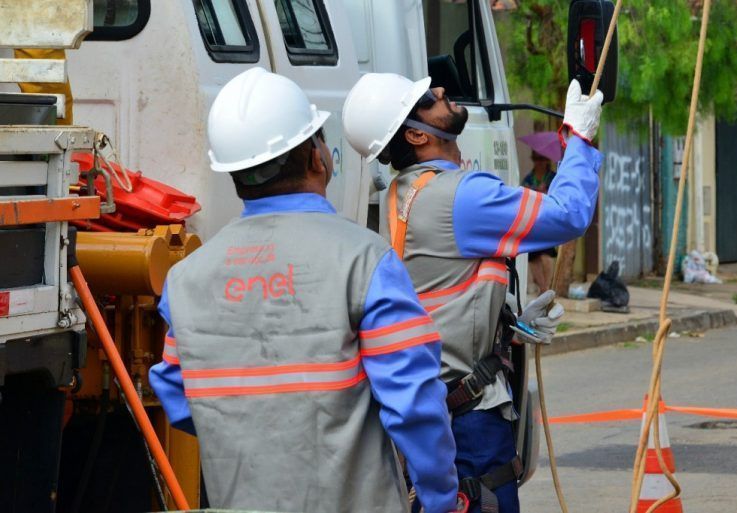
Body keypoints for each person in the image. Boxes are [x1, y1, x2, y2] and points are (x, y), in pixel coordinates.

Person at [149, 68, 467, 513]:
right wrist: (440, 499)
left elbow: (177, 394)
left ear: (235, 174)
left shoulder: (186, 279)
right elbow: (414, 404)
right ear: (317, 157)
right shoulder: (363, 259)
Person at [342, 74, 603, 513]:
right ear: (416, 134)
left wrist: (505, 324)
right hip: (470, 423)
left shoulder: (398, 195)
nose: (442, 90)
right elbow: (569, 214)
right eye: (428, 98)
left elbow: (435, 291)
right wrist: (578, 138)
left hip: (434, 413)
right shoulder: (462, 196)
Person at [521, 150, 558, 294]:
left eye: (542, 159)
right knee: (533, 256)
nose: (539, 163)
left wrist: (545, 193)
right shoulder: (529, 179)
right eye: (537, 159)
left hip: (548, 219)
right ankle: (542, 288)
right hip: (532, 220)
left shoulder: (553, 178)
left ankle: (548, 286)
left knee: (547, 255)